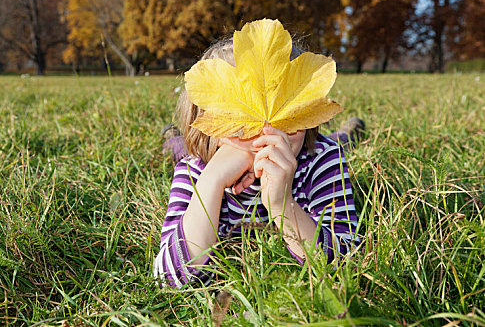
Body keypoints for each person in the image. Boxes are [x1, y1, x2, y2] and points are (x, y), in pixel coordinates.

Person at [154, 36, 361, 288]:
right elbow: (169, 277)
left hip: (318, 146)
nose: (267, 131)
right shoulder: (195, 170)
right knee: (180, 147)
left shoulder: (322, 158)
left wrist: (282, 204)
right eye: (243, 121)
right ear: (209, 126)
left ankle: (347, 133)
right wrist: (212, 181)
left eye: (284, 115)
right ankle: (172, 136)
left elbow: (346, 263)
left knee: (337, 141)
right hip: (199, 152)